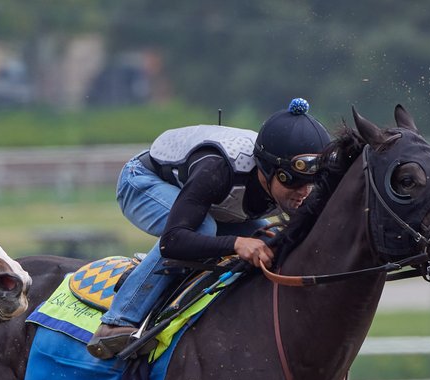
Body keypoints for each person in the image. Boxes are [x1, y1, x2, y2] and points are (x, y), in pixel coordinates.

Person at [87, 98, 332, 359]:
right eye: (294, 182)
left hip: (209, 201)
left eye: (312, 183)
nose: (304, 193)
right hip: (141, 181)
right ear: (267, 169)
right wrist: (236, 244)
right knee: (203, 228)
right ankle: (117, 321)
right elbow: (173, 241)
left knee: (268, 239)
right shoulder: (216, 169)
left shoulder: (291, 185)